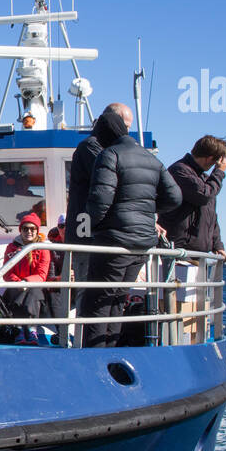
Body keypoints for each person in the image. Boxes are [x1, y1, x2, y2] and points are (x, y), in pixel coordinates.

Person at [77, 108, 183, 348]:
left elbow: (99, 201)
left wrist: (94, 225)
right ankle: (110, 357)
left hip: (114, 242)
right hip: (143, 244)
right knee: (118, 299)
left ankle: (93, 361)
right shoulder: (151, 158)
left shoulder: (110, 155)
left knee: (98, 302)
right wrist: (146, 212)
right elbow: (175, 197)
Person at [66, 104, 134, 299]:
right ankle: (86, 329)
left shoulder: (106, 150)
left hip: (106, 235)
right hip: (87, 234)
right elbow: (116, 180)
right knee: (88, 294)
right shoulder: (91, 147)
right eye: (126, 126)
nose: (127, 133)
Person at [160, 136, 226, 262]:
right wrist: (219, 173)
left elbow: (211, 215)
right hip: (179, 251)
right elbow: (204, 196)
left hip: (197, 253)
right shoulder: (180, 171)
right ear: (209, 158)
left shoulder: (204, 179)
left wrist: (217, 244)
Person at [2, 212, 50, 344]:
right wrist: (19, 283)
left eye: (32, 229)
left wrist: (26, 282)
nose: (29, 231)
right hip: (16, 287)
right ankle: (22, 331)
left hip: (34, 288)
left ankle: (29, 329)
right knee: (17, 291)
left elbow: (42, 274)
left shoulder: (43, 249)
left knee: (33, 292)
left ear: (37, 231)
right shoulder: (11, 248)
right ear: (21, 230)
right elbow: (6, 272)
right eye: (25, 228)